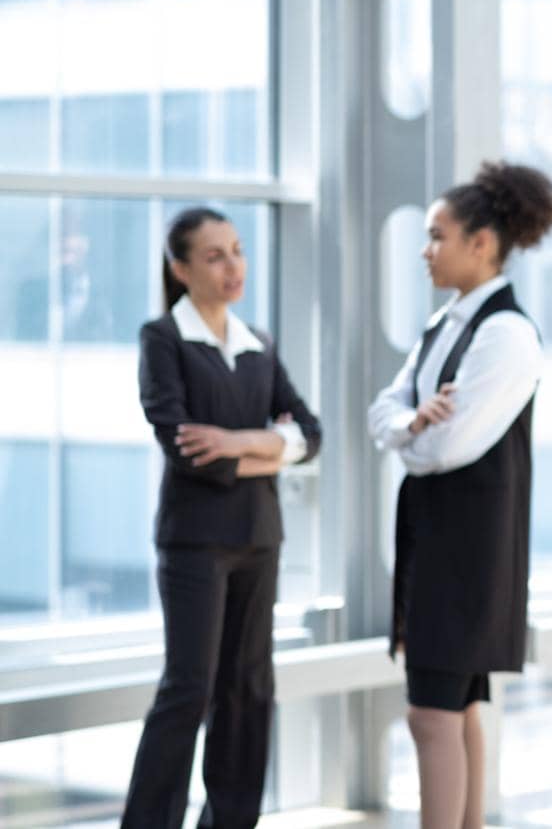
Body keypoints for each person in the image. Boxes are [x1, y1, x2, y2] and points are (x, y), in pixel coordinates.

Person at [366, 161, 552, 829]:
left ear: (481, 242)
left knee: (431, 711)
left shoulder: (506, 333)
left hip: (468, 550)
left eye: (436, 234)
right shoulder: (448, 321)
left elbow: (447, 448)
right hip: (443, 539)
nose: (426, 249)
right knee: (460, 703)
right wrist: (408, 424)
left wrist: (409, 437)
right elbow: (383, 409)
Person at [124, 207, 322, 828]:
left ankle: (232, 821)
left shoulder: (257, 342)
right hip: (195, 544)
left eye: (236, 250)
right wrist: (271, 446)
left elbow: (311, 434)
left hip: (259, 538)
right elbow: (187, 450)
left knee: (249, 689)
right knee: (190, 690)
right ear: (181, 270)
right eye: (214, 256)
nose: (233, 265)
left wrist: (238, 443)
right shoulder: (162, 339)